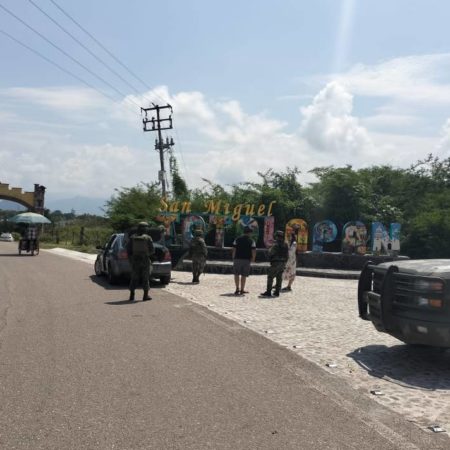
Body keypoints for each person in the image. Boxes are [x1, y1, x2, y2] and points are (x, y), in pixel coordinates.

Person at [126, 222, 155, 302]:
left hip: (135, 261)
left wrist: (131, 259)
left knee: (134, 278)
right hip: (145, 260)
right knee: (145, 278)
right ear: (145, 228)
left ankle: (132, 296)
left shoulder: (132, 237)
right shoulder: (148, 238)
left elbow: (128, 250)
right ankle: (145, 296)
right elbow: (152, 250)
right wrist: (147, 254)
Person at [261, 230, 289, 298]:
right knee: (279, 278)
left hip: (276, 262)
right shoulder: (285, 245)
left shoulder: (276, 245)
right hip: (283, 263)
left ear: (277, 236)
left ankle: (268, 291)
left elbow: (271, 253)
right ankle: (277, 291)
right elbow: (287, 255)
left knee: (270, 277)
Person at [232, 226, 256, 295]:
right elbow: (253, 251)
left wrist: (233, 257)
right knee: (244, 275)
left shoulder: (237, 239)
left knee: (236, 274)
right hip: (246, 260)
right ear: (250, 233)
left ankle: (237, 289)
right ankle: (242, 289)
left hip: (237, 259)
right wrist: (253, 259)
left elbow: (234, 249)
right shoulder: (252, 241)